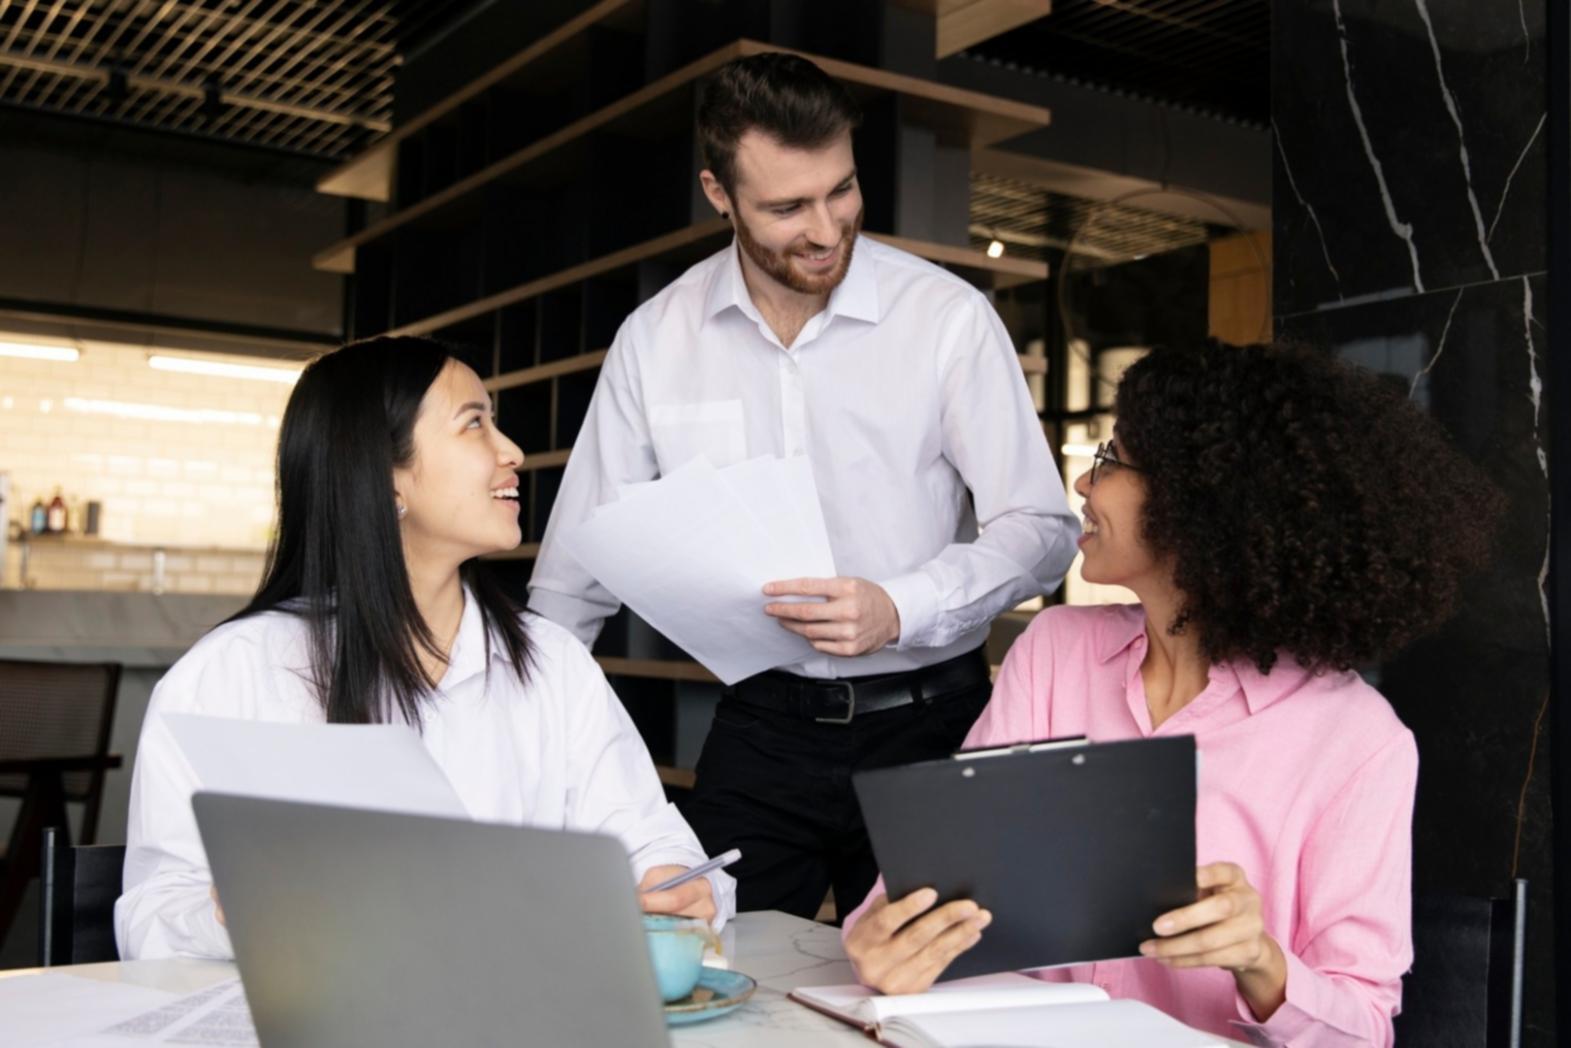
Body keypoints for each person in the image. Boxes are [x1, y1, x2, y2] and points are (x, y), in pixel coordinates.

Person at [527, 52, 1079, 919]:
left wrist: (901, 604)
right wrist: (511, 725)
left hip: (931, 725)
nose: (826, 229)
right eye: (787, 207)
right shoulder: (655, 339)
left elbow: (1041, 526)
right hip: (760, 727)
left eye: (842, 190)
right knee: (705, 965)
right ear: (718, 193)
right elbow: (576, 571)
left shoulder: (945, 319)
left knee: (932, 1000)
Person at [841, 339, 1502, 1045]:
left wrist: (1260, 960)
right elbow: (924, 892)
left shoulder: (1357, 741)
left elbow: (1362, 1027)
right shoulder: (1055, 652)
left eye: (1111, 461)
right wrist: (886, 940)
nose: (1084, 489)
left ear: (1199, 502)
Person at [116, 336, 734, 961]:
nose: (512, 452)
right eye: (474, 425)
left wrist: (676, 883)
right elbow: (153, 913)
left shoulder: (552, 664)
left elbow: (654, 842)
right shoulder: (232, 673)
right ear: (385, 477)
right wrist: (233, 910)